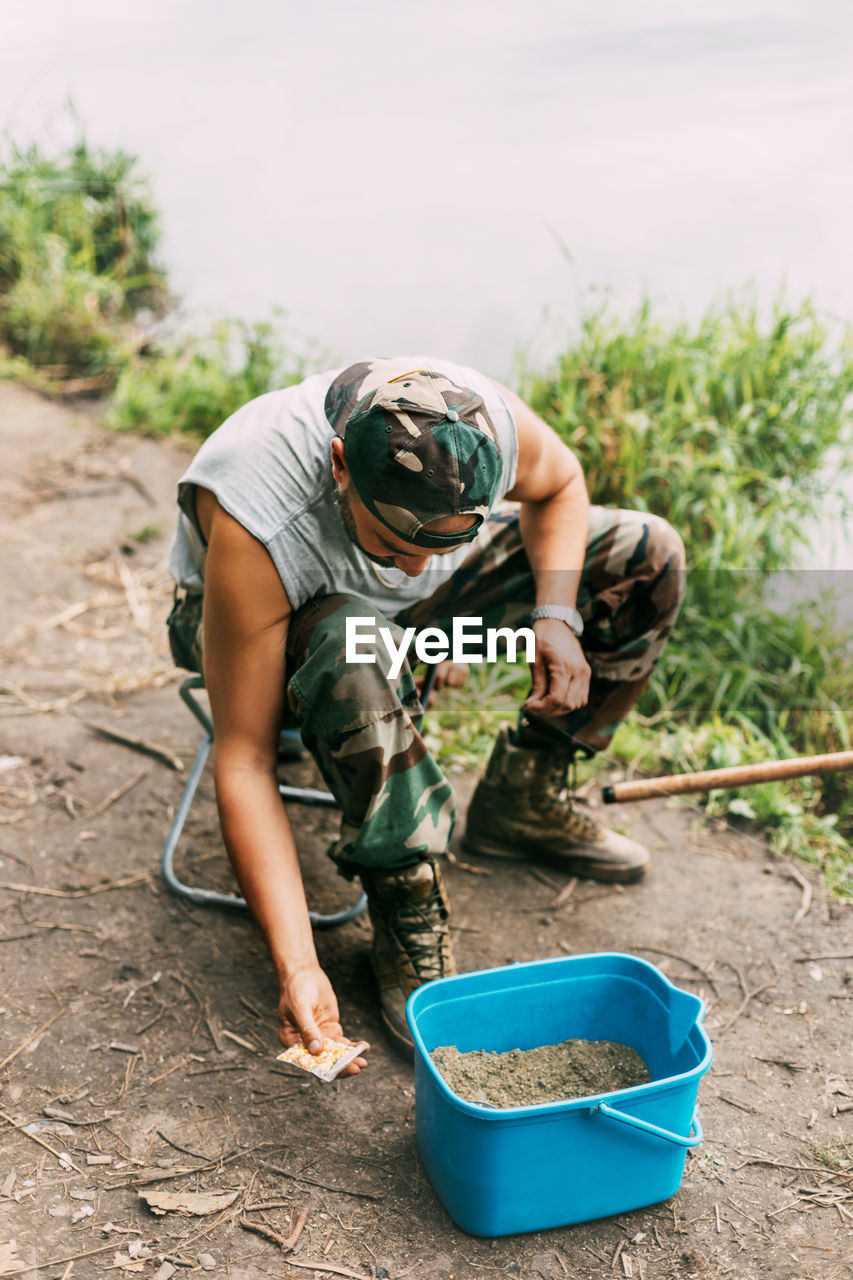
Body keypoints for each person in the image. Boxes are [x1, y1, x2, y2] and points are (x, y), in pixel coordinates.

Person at [167, 357, 685, 1063]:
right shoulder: (259, 517)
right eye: (390, 544)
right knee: (356, 641)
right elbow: (247, 760)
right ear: (340, 465)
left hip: (391, 614)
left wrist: (554, 615)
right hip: (259, 618)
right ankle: (404, 898)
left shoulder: (485, 427)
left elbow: (559, 484)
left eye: (440, 543)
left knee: (644, 551)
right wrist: (297, 964)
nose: (411, 566)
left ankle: (522, 800)